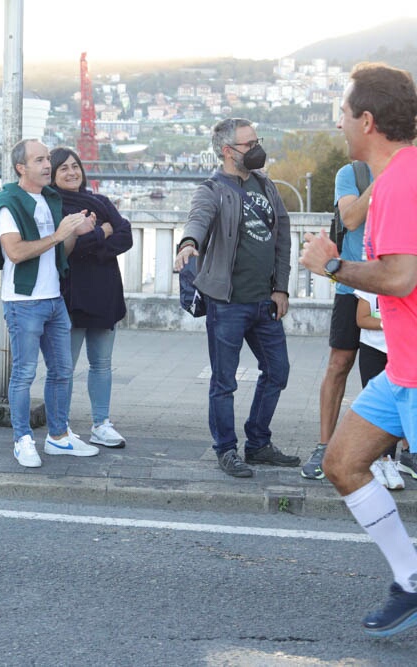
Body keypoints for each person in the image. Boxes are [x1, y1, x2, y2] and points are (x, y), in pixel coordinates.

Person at [299, 62, 417, 637]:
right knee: (342, 463)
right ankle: (411, 579)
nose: (339, 123)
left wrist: (333, 265)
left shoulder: (400, 183)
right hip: (402, 371)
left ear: (367, 121)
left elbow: (399, 278)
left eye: (343, 114)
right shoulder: (395, 178)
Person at [173, 118, 299, 478]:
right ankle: (226, 450)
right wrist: (188, 243)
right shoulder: (212, 189)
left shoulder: (266, 185)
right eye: (249, 144)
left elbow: (284, 236)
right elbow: (198, 220)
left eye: (258, 141)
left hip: (265, 302)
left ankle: (258, 443)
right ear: (228, 152)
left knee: (278, 372)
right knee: (224, 381)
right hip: (226, 304)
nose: (257, 149)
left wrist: (282, 288)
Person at [0, 138, 99, 467]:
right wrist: (58, 233)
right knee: (23, 374)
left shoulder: (48, 199)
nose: (48, 164)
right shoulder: (8, 202)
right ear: (21, 168)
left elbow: (58, 253)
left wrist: (76, 232)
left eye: (48, 158)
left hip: (53, 299)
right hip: (24, 302)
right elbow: (17, 252)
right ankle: (22, 439)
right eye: (39, 160)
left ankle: (58, 437)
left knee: (63, 371)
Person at [49, 146, 133, 448]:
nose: (72, 173)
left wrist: (93, 241)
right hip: (70, 296)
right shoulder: (52, 205)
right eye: (63, 169)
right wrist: (102, 234)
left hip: (105, 294)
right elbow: (66, 248)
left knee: (102, 364)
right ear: (53, 174)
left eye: (75, 166)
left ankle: (101, 423)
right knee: (64, 367)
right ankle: (61, 427)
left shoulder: (100, 201)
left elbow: (126, 236)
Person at [301, 161, 373, 480]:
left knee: (399, 369)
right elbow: (351, 217)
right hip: (351, 283)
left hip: (395, 286)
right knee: (339, 364)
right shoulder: (352, 173)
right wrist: (386, 177)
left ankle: (403, 451)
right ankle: (324, 446)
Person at [354, 290, 407, 490]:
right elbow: (362, 319)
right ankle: (372, 461)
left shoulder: (405, 281)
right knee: (375, 408)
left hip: (399, 350)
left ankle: (389, 461)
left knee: (395, 407)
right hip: (373, 350)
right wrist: (388, 324)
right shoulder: (370, 282)